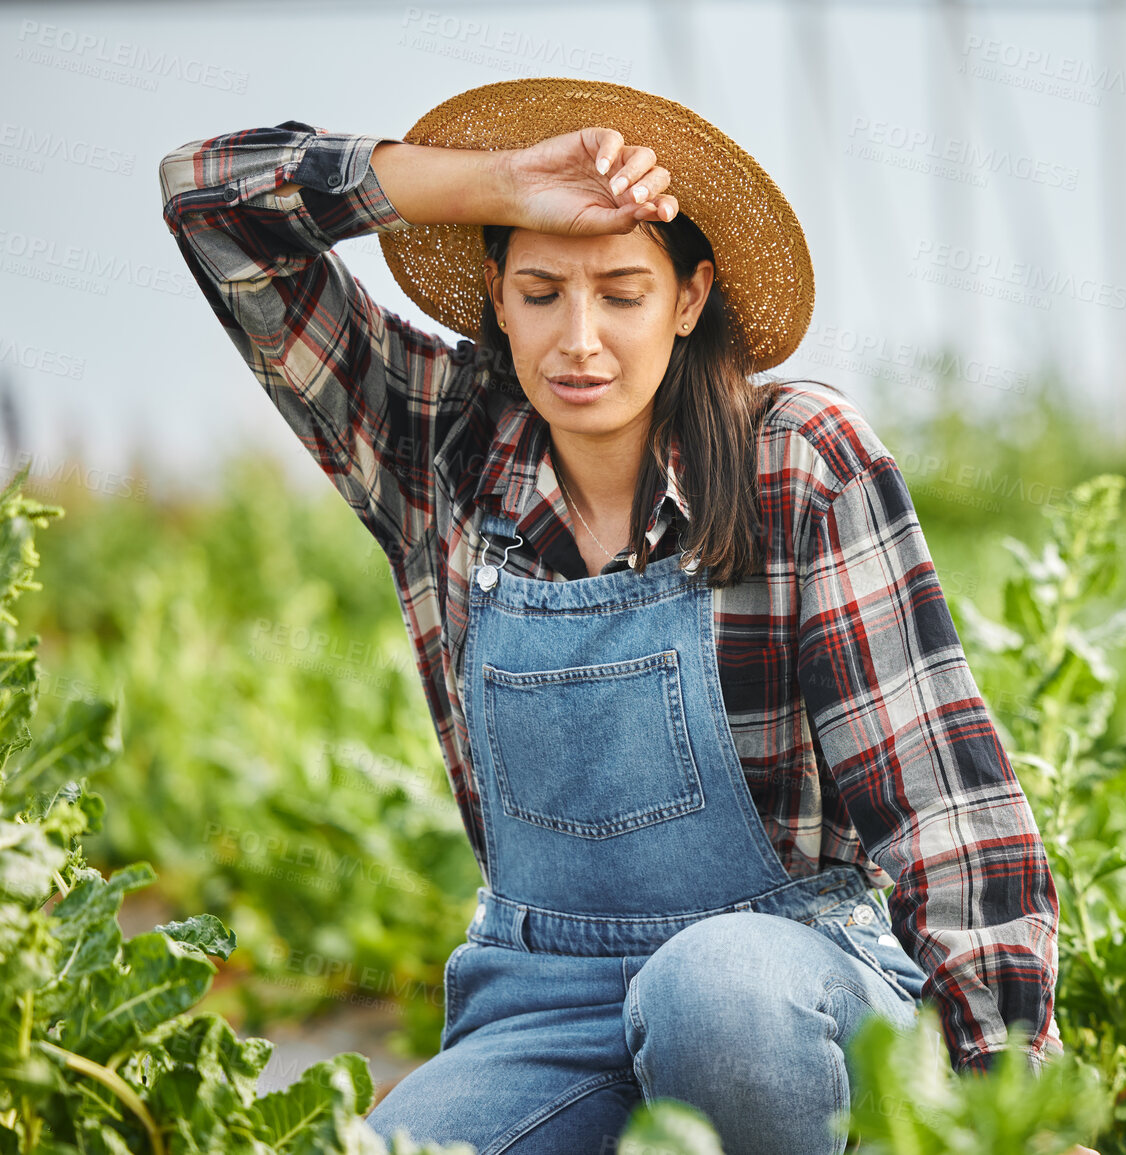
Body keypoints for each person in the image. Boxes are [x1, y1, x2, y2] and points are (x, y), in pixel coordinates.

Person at [159, 78, 1077, 1155]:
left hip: (790, 986)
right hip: (543, 1004)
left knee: (716, 991)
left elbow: (943, 808)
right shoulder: (437, 451)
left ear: (690, 298)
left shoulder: (799, 461)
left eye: (623, 292)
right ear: (496, 296)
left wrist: (1017, 1102)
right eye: (541, 290)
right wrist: (493, 183)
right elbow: (209, 201)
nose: (578, 341)